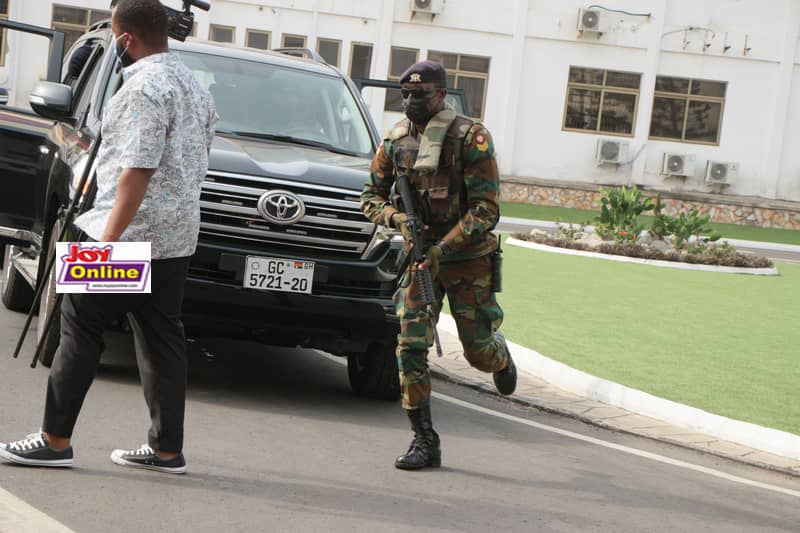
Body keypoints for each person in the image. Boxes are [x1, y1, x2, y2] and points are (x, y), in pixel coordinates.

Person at [0, 0, 217, 474]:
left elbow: (137, 170)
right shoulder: (195, 89)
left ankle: (55, 440)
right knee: (162, 338)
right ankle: (166, 450)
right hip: (176, 237)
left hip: (125, 234)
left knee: (79, 330)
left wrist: (107, 241)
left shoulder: (142, 89)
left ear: (125, 39)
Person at [360, 60, 517, 471]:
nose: (412, 102)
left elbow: (486, 210)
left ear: (441, 95)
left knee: (477, 353)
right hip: (419, 260)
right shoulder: (395, 142)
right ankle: (424, 439)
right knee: (410, 345)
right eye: (406, 95)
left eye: (421, 94)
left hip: (467, 260)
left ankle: (500, 356)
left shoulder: (471, 138)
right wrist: (397, 221)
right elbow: (370, 198)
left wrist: (444, 248)